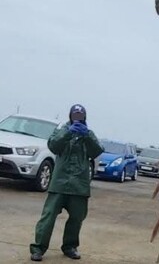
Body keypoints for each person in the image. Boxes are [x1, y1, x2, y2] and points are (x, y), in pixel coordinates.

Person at [30, 104, 103, 261]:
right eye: (75, 114)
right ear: (70, 115)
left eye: (80, 115)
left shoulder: (89, 134)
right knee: (48, 217)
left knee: (77, 218)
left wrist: (87, 136)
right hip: (59, 183)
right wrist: (67, 133)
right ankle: (38, 248)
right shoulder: (62, 130)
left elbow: (96, 151)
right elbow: (53, 146)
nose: (78, 117)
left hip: (79, 186)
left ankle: (70, 246)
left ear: (84, 116)